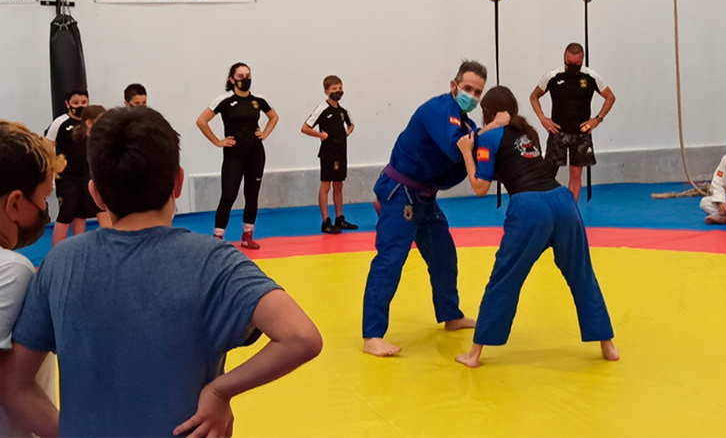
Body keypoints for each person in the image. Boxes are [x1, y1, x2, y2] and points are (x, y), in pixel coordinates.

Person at [2, 107, 322, 437]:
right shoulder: (214, 263)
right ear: (178, 182)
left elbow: (15, 389)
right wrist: (220, 390)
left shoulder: (59, 263)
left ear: (95, 193)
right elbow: (301, 337)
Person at [454, 86, 618, 368]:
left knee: (505, 278)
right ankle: (608, 345)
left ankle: (474, 354)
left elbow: (480, 186)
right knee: (582, 274)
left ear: (487, 113)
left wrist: (467, 152)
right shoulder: (529, 133)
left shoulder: (487, 136)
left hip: (530, 208)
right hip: (563, 202)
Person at [362, 60, 504, 357]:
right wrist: (492, 128)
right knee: (391, 260)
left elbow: (472, 153)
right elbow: (456, 150)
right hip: (401, 193)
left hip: (425, 197)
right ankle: (372, 335)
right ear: (454, 86)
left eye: (477, 91)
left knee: (444, 255)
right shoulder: (438, 110)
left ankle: (450, 315)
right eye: (467, 88)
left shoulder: (467, 124)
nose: (472, 95)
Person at [0, 121, 63, 438]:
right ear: (13, 203)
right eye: (44, 198)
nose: (44, 211)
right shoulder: (11, 270)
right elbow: (14, 392)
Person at [196, 63, 278, 250]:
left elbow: (274, 117)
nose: (245, 79)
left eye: (248, 75)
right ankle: (217, 236)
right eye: (240, 76)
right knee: (228, 195)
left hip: (255, 154)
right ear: (232, 79)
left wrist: (265, 133)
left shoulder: (258, 99)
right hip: (234, 156)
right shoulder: (224, 99)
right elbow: (201, 121)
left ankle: (247, 235)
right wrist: (218, 141)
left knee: (252, 195)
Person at [529, 43, 616, 202]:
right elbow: (534, 96)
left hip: (581, 133)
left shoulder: (592, 77)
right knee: (548, 173)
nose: (573, 67)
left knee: (576, 174)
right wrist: (543, 118)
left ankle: (572, 211)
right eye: (569, 64)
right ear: (564, 59)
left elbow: (610, 97)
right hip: (557, 132)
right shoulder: (552, 76)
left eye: (577, 64)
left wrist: (597, 119)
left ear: (582, 61)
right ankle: (546, 208)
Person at [301, 75, 357, 234]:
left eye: (340, 89)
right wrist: (321, 135)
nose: (338, 92)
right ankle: (326, 221)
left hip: (341, 151)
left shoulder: (343, 110)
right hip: (328, 153)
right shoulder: (322, 109)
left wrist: (348, 132)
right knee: (326, 185)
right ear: (326, 91)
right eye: (334, 90)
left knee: (339, 185)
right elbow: (305, 128)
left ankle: (340, 218)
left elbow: (351, 124)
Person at [45, 89, 95, 246]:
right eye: (75, 103)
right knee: (66, 214)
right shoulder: (60, 123)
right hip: (67, 177)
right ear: (67, 104)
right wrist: (51, 173)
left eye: (83, 102)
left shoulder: (90, 122)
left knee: (81, 215)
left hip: (86, 174)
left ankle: (76, 249)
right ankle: (55, 252)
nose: (80, 106)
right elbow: (47, 147)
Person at [73, 106, 112, 229]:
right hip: (92, 182)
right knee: (103, 215)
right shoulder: (86, 141)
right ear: (89, 123)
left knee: (102, 215)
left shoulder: (95, 139)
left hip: (92, 181)